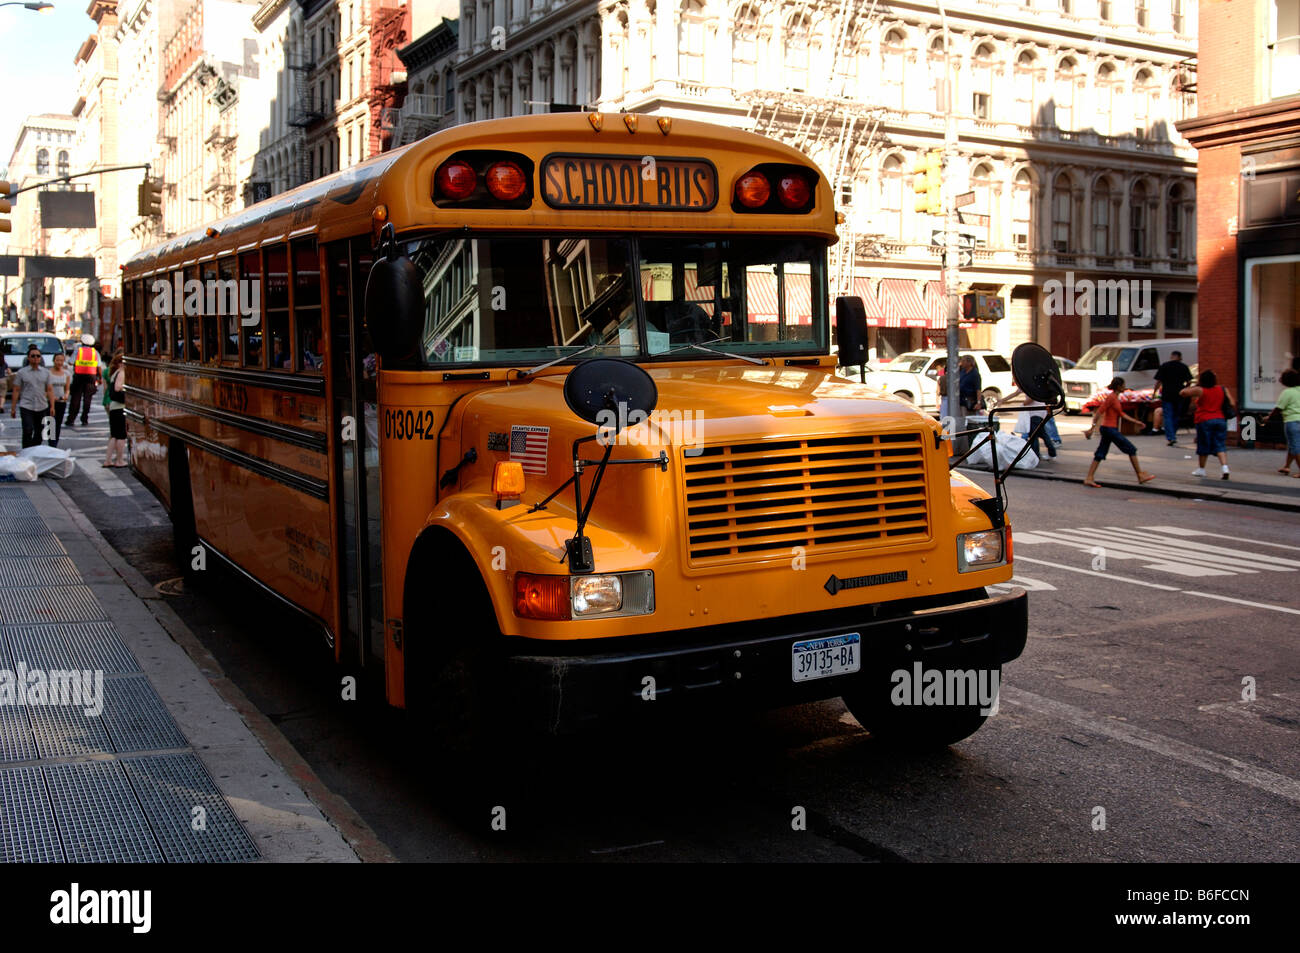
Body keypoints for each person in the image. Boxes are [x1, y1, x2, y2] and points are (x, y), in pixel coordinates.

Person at [1083, 376, 1155, 488]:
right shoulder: (1111, 397)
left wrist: (1136, 422)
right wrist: (1092, 427)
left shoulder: (1115, 397)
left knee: (1100, 453)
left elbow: (1121, 414)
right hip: (1109, 429)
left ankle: (1089, 477)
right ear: (1118, 386)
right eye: (1123, 385)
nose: (1125, 387)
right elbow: (1100, 411)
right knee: (1131, 449)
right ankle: (1140, 475)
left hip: (1109, 429)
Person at [1181, 370, 1232, 480]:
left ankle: (1201, 469)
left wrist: (1192, 385)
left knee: (1203, 445)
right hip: (1220, 419)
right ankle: (1225, 468)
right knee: (1220, 445)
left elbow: (1183, 393)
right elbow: (1232, 402)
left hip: (1204, 420)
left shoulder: (1200, 390)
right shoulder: (1222, 389)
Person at [9, 346, 55, 449]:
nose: (35, 358)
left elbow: (50, 390)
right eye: (33, 356)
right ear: (28, 358)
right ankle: (26, 451)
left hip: (42, 405)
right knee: (27, 429)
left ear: (40, 358)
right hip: (26, 405)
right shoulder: (22, 372)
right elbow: (16, 390)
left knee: (40, 431)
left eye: (38, 356)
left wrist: (52, 406)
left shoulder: (46, 373)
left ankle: (33, 449)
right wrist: (13, 408)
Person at [1153, 349, 1193, 446]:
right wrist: (1185, 389)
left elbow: (1158, 381)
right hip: (1179, 395)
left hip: (1167, 394)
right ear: (1180, 357)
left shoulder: (1165, 366)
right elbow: (1189, 382)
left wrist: (1154, 392)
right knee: (1176, 415)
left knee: (1168, 416)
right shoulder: (1183, 367)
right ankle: (1173, 434)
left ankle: (1171, 437)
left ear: (1172, 356)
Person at [1266, 368, 1300, 477]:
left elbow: (1278, 408)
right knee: (1292, 445)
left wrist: (1268, 417)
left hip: (1292, 421)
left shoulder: (1287, 392)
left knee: (1295, 447)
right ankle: (1287, 466)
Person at [64, 333, 99, 427]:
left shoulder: (78, 351)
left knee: (75, 398)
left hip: (79, 376)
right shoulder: (94, 352)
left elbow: (70, 362)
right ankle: (84, 419)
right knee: (88, 399)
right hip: (91, 377)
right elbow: (99, 366)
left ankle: (71, 419)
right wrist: (99, 378)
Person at [103, 349, 129, 468]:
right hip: (120, 407)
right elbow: (118, 387)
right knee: (121, 435)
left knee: (114, 435)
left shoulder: (115, 372)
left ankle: (108, 460)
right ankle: (119, 460)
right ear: (121, 363)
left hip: (114, 407)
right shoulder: (122, 372)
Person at [47, 351, 71, 447]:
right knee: (51, 423)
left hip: (61, 402)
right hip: (50, 401)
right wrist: (52, 397)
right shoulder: (48, 373)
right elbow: (46, 389)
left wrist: (66, 395)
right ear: (53, 361)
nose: (59, 362)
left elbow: (67, 389)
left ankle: (54, 444)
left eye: (61, 360)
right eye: (57, 360)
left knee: (58, 424)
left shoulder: (66, 373)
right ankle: (51, 444)